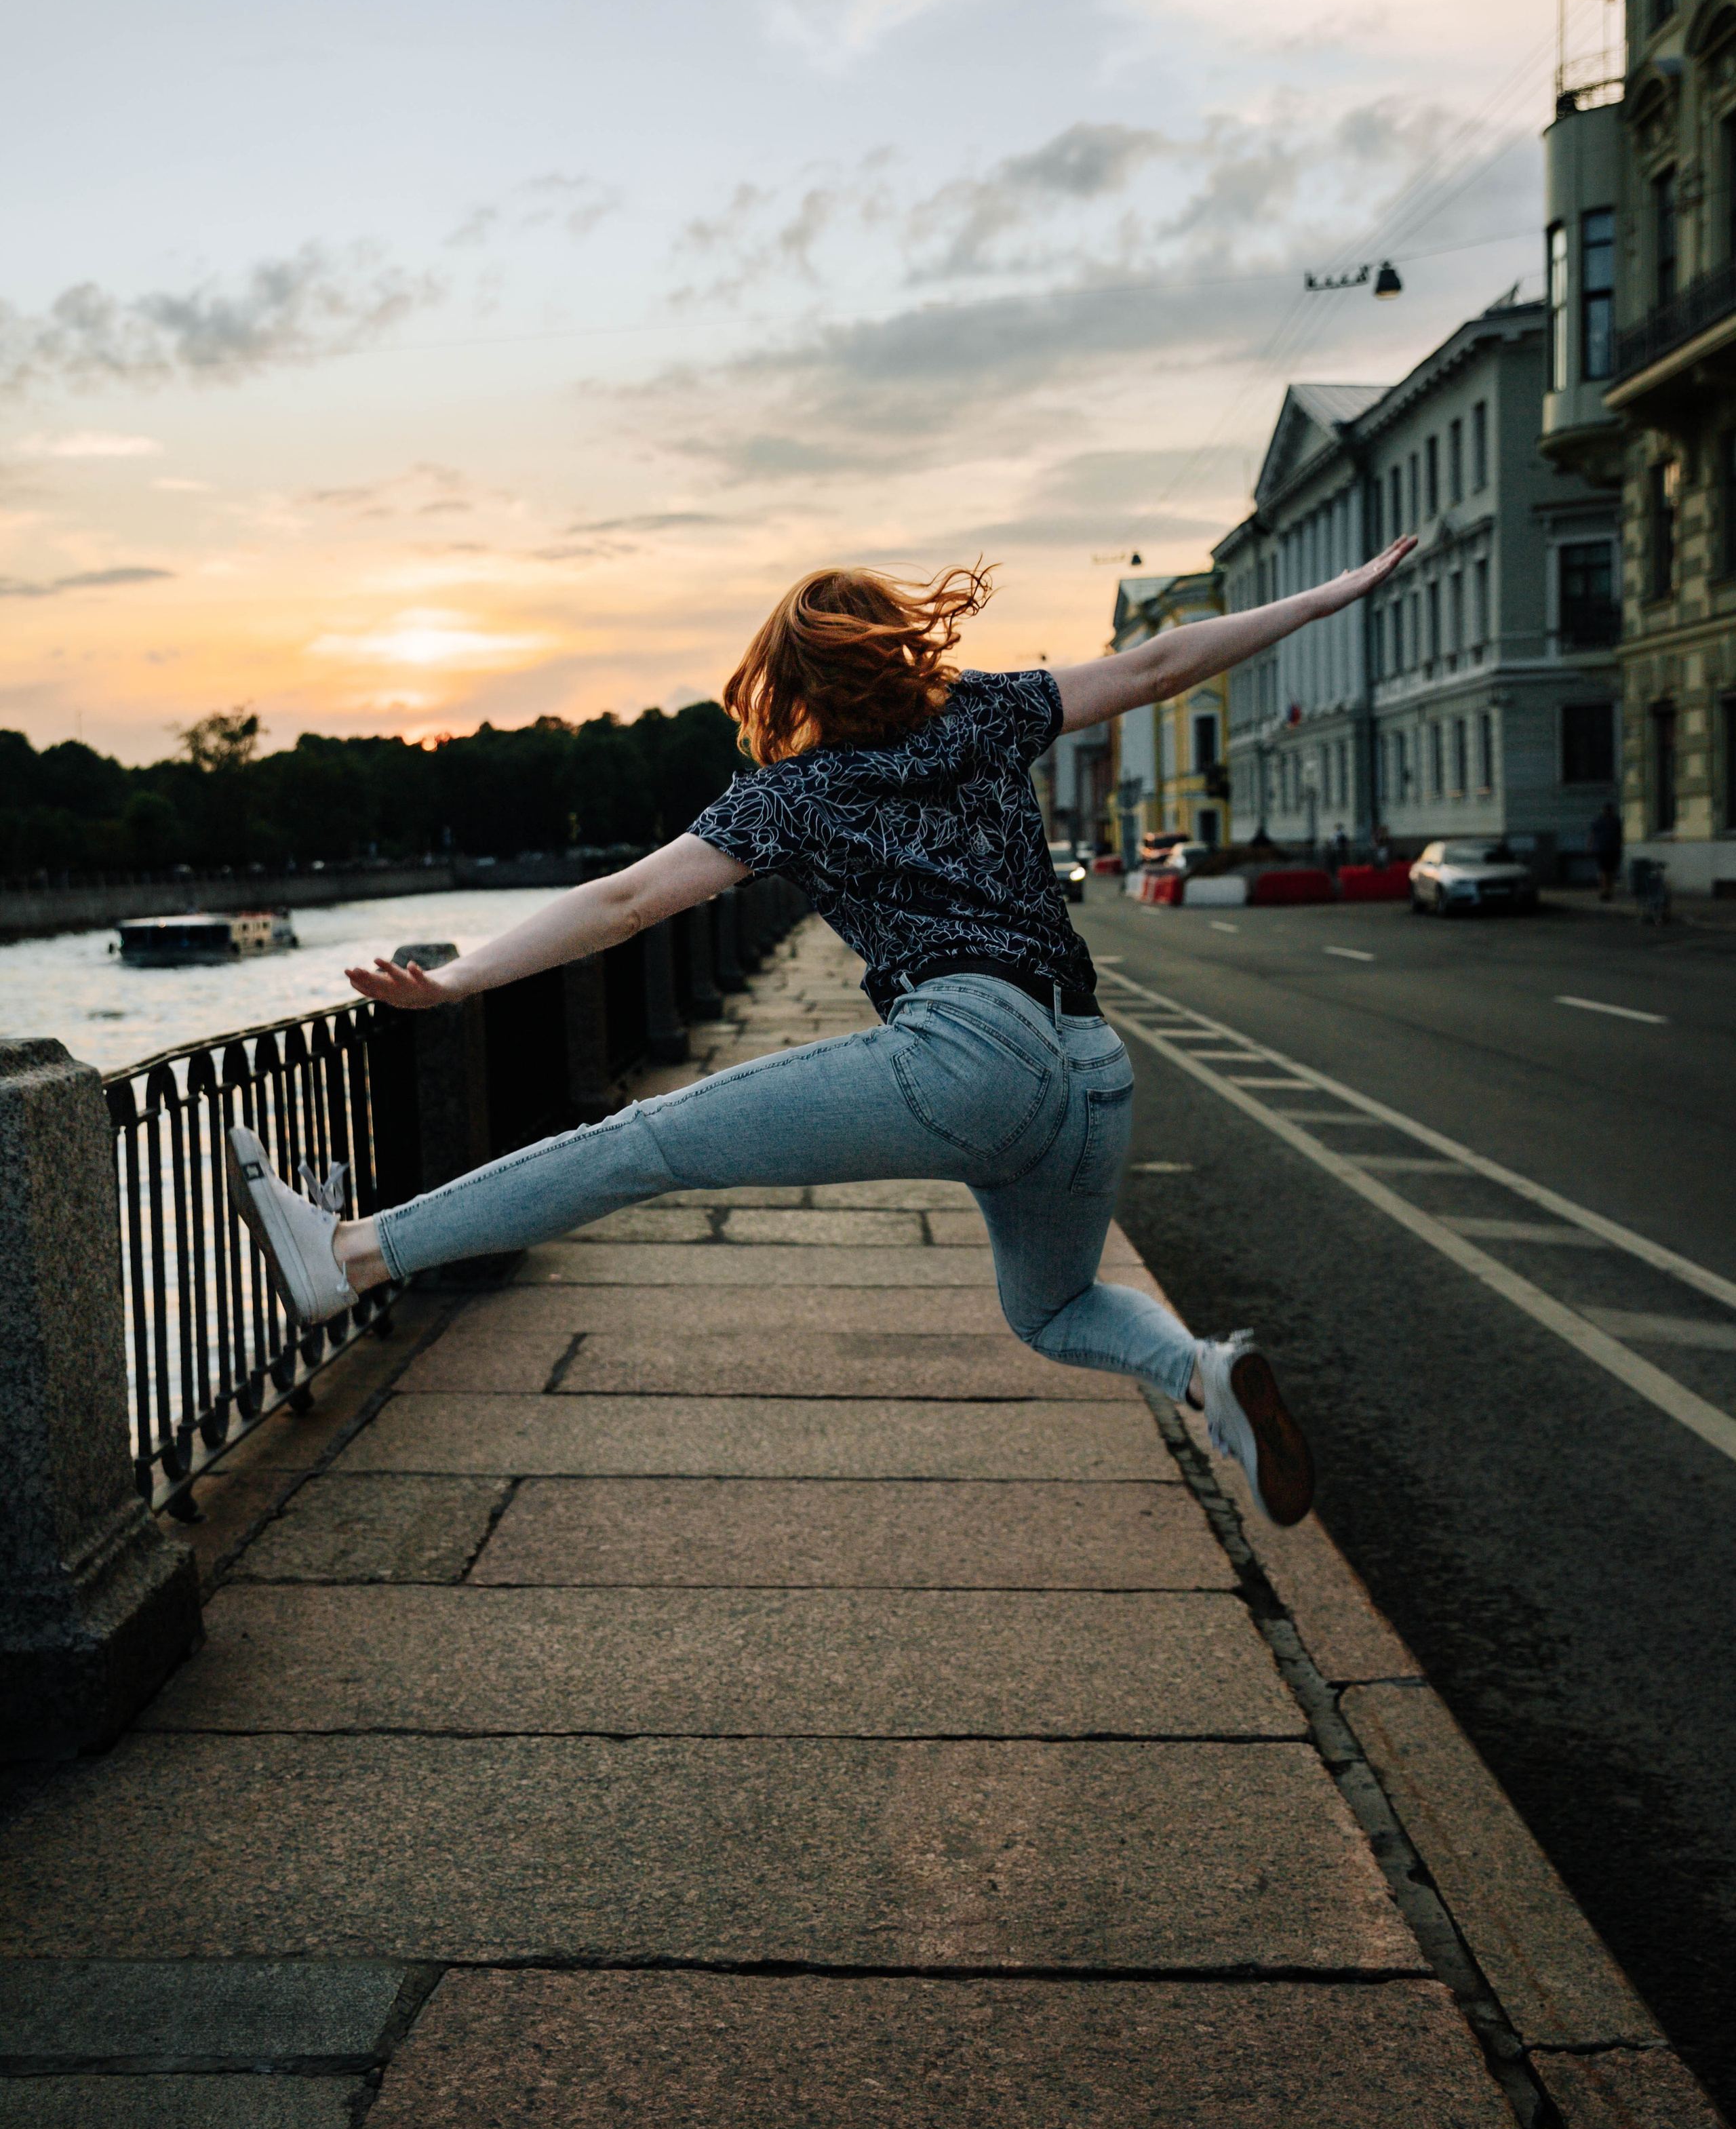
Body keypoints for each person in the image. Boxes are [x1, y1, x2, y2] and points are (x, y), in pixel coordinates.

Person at [226, 533, 1416, 1528]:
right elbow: (1161, 665)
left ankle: (348, 1256)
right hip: (1090, 1067)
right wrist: (1331, 594)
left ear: (784, 681)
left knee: (637, 1144)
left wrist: (460, 978)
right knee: (1051, 1310)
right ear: (900, 647)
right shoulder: (993, 714)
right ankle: (1206, 1373)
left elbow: (624, 903)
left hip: (966, 1049)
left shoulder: (786, 796)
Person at [1591, 800, 1623, 902]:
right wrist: (1590, 846)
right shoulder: (1599, 821)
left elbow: (1620, 836)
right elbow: (1592, 834)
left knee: (1610, 872)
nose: (1608, 812)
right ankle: (1605, 891)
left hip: (1612, 850)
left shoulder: (1615, 822)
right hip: (1602, 849)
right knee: (1604, 871)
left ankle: (1608, 890)